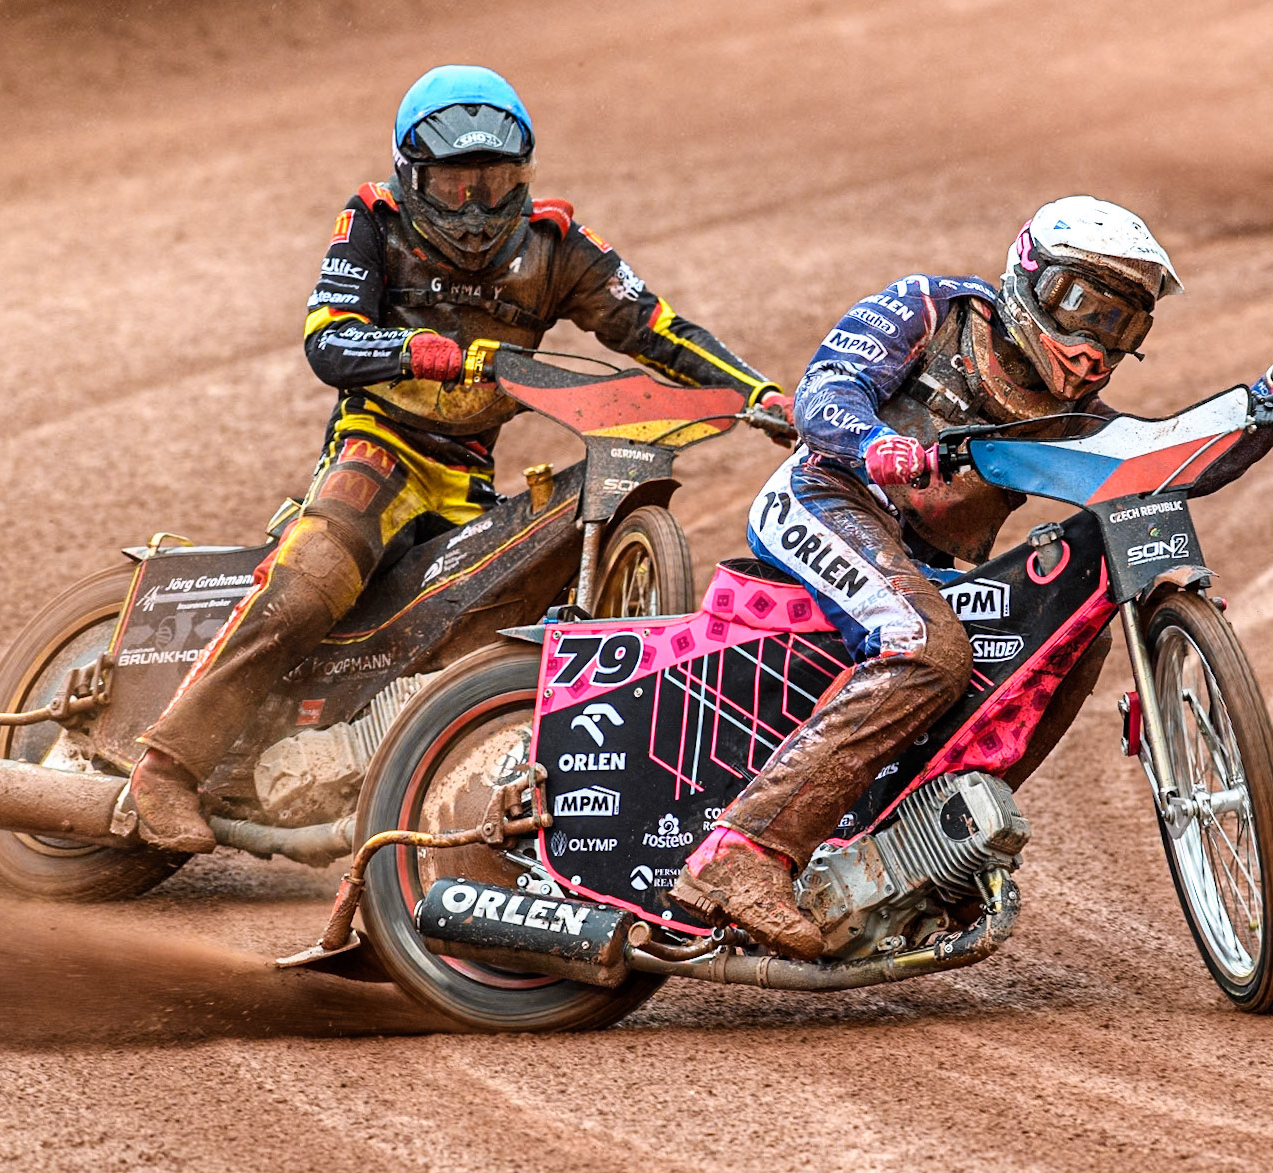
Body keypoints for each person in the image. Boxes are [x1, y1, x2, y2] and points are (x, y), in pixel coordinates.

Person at [670, 195, 1273, 958]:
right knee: (930, 649)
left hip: (913, 557)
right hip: (827, 497)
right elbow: (825, 391)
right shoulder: (933, 308)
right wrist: (877, 445)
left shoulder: (1069, 413)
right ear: (1030, 278)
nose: (1096, 346)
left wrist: (1265, 410)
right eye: (1083, 306)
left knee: (1067, 639)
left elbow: (1166, 462)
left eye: (1122, 325)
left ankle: (914, 856)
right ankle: (739, 855)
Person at [129, 65, 784, 852]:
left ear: (525, 176)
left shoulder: (558, 245)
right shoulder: (371, 219)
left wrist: (761, 394)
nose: (474, 204)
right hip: (378, 446)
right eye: (453, 184)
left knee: (490, 623)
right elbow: (327, 337)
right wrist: (414, 350)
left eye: (494, 180)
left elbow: (655, 327)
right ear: (412, 178)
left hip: (468, 475)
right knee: (316, 579)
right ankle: (166, 765)